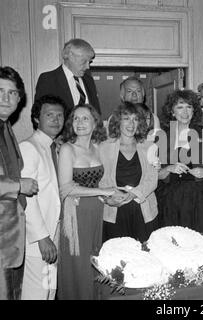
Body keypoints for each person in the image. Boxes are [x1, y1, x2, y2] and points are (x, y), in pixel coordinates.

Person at [0, 66, 38, 300]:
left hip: (11, 238)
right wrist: (17, 186)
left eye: (13, 93)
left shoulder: (4, 126)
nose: (6, 98)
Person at [57, 104, 114, 300]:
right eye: (75, 118)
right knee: (78, 265)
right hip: (75, 213)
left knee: (93, 261)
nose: (79, 123)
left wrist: (111, 196)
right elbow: (65, 188)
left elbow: (103, 181)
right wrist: (101, 191)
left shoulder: (97, 148)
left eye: (85, 118)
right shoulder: (67, 149)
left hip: (96, 210)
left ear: (95, 122)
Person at [19, 95, 67, 300]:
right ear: (37, 119)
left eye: (60, 115)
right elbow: (26, 197)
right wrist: (42, 237)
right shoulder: (29, 147)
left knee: (49, 291)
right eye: (49, 115)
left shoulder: (53, 147)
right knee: (36, 294)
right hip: (38, 239)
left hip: (53, 232)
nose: (56, 120)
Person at [156, 89, 203, 233]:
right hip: (171, 200)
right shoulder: (162, 136)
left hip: (200, 199)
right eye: (180, 107)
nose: (185, 112)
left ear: (194, 110)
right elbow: (155, 175)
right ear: (172, 111)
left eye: (189, 107)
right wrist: (168, 169)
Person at [99, 102, 159, 243]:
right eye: (126, 118)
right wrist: (108, 198)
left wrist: (133, 194)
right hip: (115, 209)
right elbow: (101, 180)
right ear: (118, 121)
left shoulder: (150, 146)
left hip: (143, 209)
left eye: (135, 119)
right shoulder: (103, 147)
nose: (131, 123)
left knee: (146, 255)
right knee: (119, 258)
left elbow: (152, 178)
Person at [34, 38, 101, 115]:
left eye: (89, 62)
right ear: (70, 56)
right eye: (84, 61)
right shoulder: (48, 80)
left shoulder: (89, 80)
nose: (87, 67)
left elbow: (96, 114)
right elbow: (41, 115)